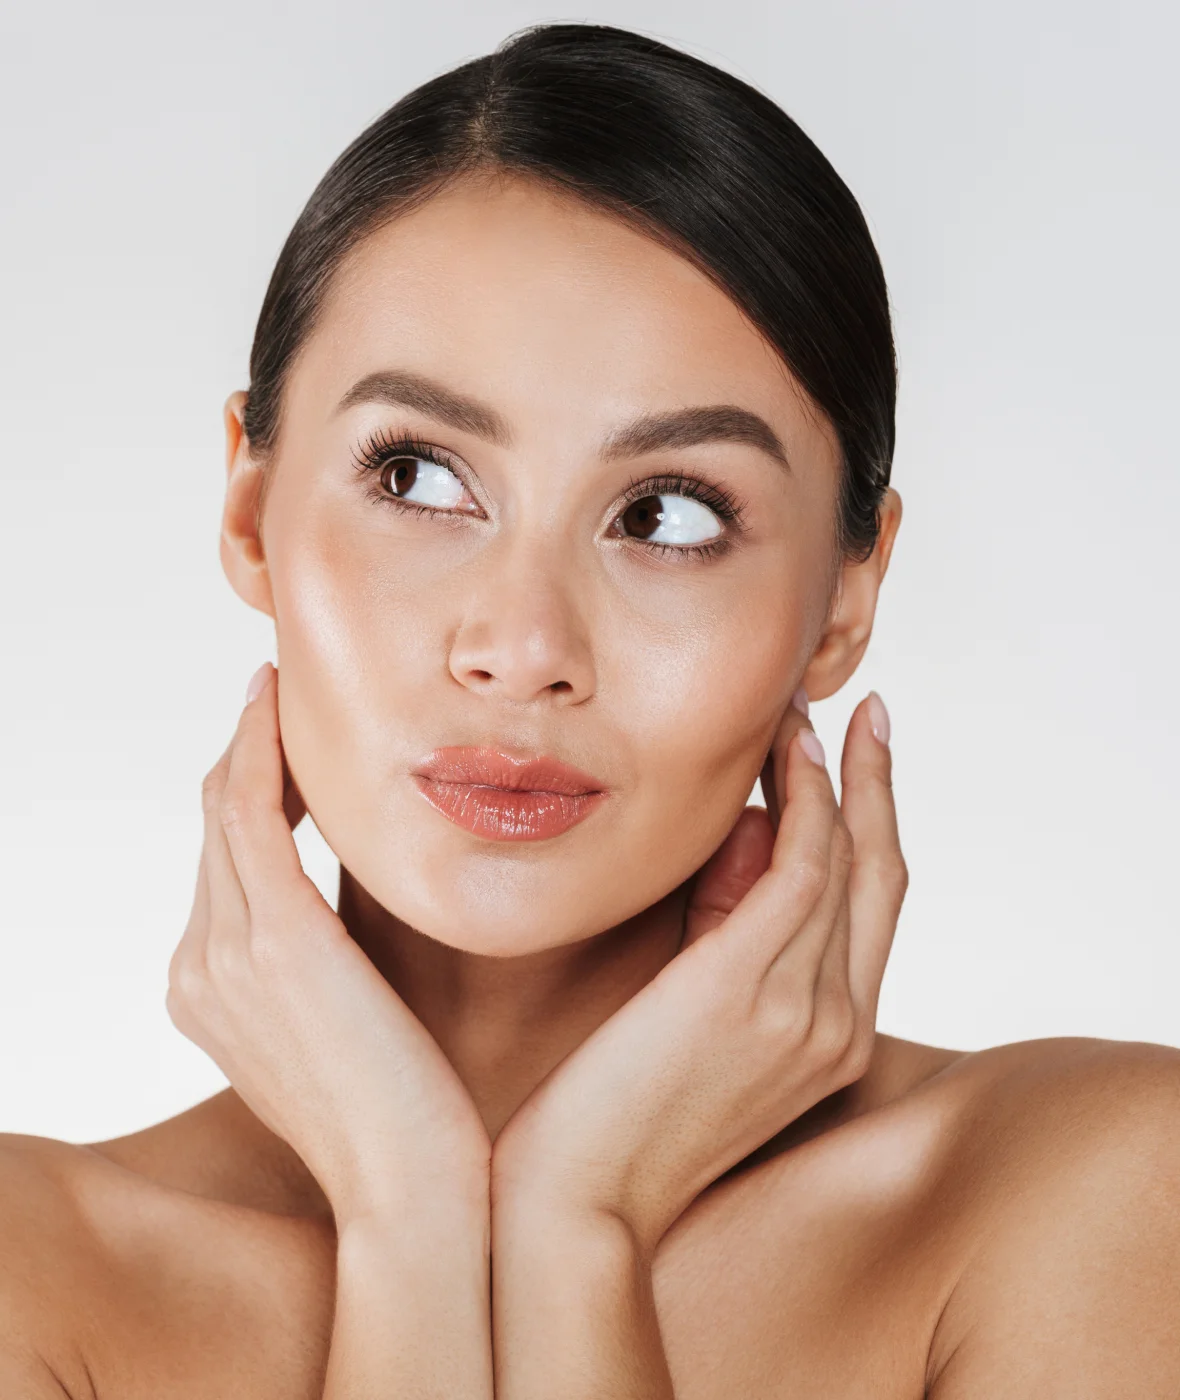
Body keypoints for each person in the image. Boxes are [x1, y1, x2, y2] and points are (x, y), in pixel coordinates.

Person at [3, 21, 1177, 1399]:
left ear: (848, 599)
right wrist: (411, 1214)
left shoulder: (1096, 1200)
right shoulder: (36, 1272)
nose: (523, 648)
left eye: (666, 514)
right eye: (419, 478)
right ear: (252, 510)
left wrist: (576, 1227)